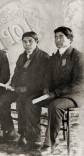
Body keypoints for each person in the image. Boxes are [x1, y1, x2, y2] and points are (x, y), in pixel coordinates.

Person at [34, 26, 84, 154]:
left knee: (55, 106)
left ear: (70, 39)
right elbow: (48, 77)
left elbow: (79, 83)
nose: (57, 40)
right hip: (55, 94)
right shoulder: (54, 57)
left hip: (74, 95)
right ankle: (33, 138)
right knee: (32, 101)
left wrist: (56, 93)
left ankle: (49, 144)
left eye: (61, 37)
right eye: (56, 37)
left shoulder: (78, 56)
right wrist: (46, 88)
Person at [0, 31, 50, 144]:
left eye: (30, 41)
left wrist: (26, 88)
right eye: (24, 42)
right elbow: (16, 75)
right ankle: (9, 130)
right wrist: (12, 85)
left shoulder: (44, 57)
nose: (27, 44)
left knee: (22, 101)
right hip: (19, 89)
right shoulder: (22, 57)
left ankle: (28, 136)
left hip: (36, 91)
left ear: (36, 42)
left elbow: (44, 80)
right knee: (3, 99)